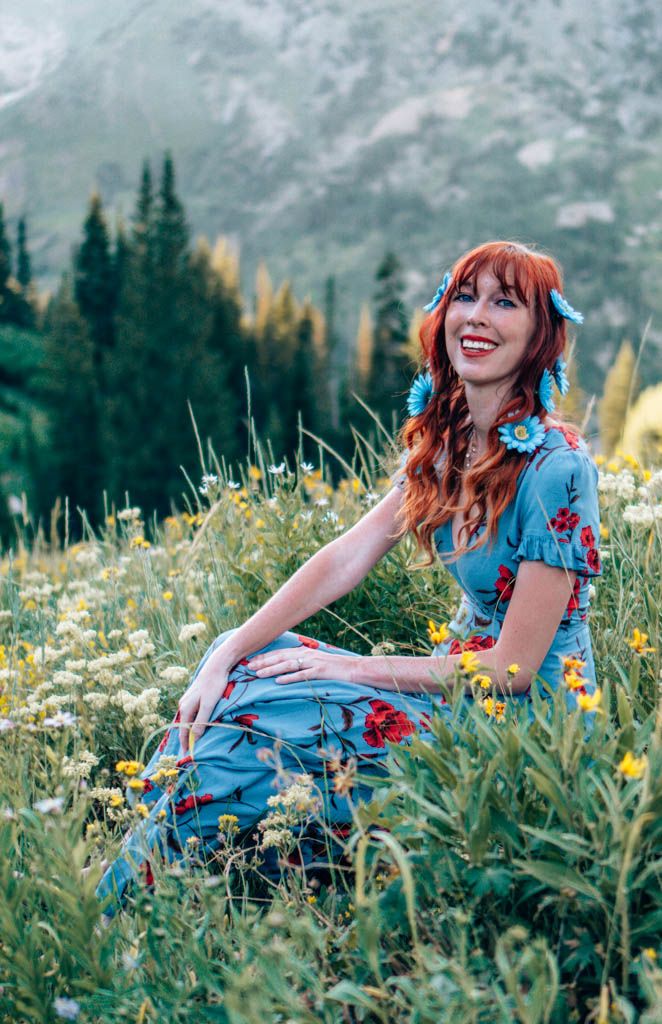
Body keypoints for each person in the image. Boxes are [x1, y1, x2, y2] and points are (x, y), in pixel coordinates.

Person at [97, 240, 601, 905]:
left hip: (527, 738)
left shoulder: (557, 467)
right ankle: (136, 858)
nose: (476, 317)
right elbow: (347, 556)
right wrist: (228, 647)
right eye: (464, 297)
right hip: (451, 695)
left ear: (540, 335)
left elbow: (513, 669)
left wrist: (350, 668)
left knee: (260, 721)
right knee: (253, 665)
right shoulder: (451, 443)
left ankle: (114, 900)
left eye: (504, 303)